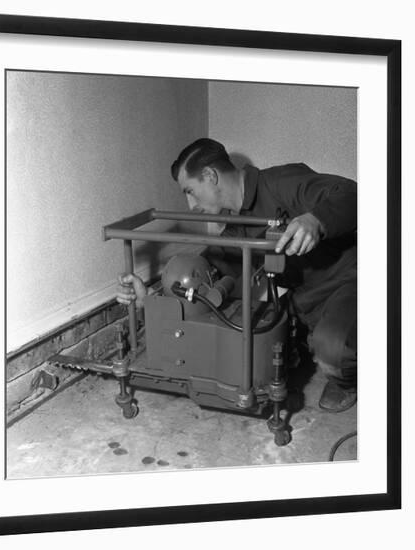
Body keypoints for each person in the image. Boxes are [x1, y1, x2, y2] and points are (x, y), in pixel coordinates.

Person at [117, 138, 357, 413]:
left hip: (348, 284)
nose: (190, 204)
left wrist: (316, 220)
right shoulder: (237, 226)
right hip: (300, 301)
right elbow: (205, 273)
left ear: (210, 175)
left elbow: (351, 193)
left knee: (332, 349)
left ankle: (346, 380)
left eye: (191, 191)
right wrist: (149, 298)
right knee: (256, 329)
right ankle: (306, 341)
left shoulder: (281, 181)